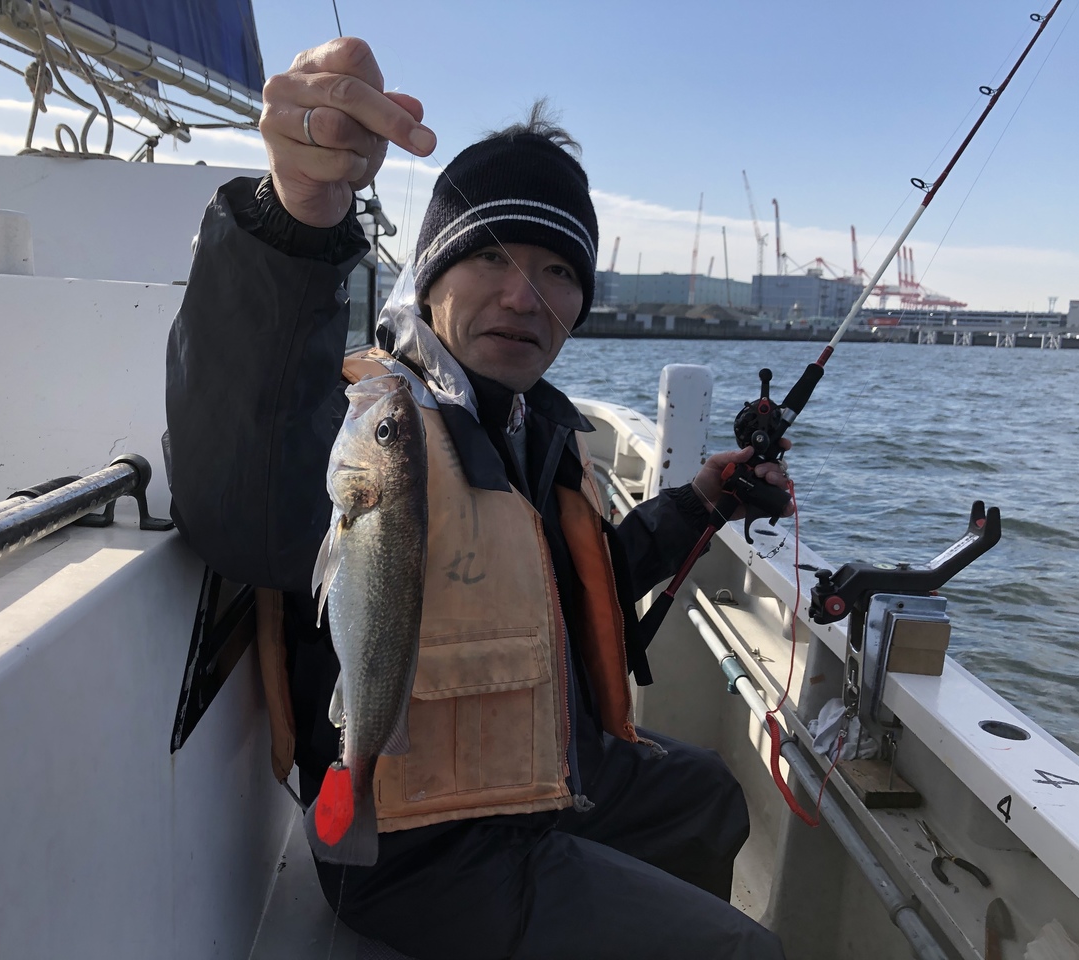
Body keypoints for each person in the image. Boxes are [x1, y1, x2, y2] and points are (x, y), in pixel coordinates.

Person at [165, 36, 791, 960]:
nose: (524, 296)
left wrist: (698, 503)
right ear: (428, 278)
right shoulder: (373, 415)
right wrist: (297, 216)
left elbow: (570, 591)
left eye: (559, 271)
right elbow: (245, 509)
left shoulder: (533, 425)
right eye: (491, 256)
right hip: (420, 839)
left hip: (540, 774)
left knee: (707, 798)